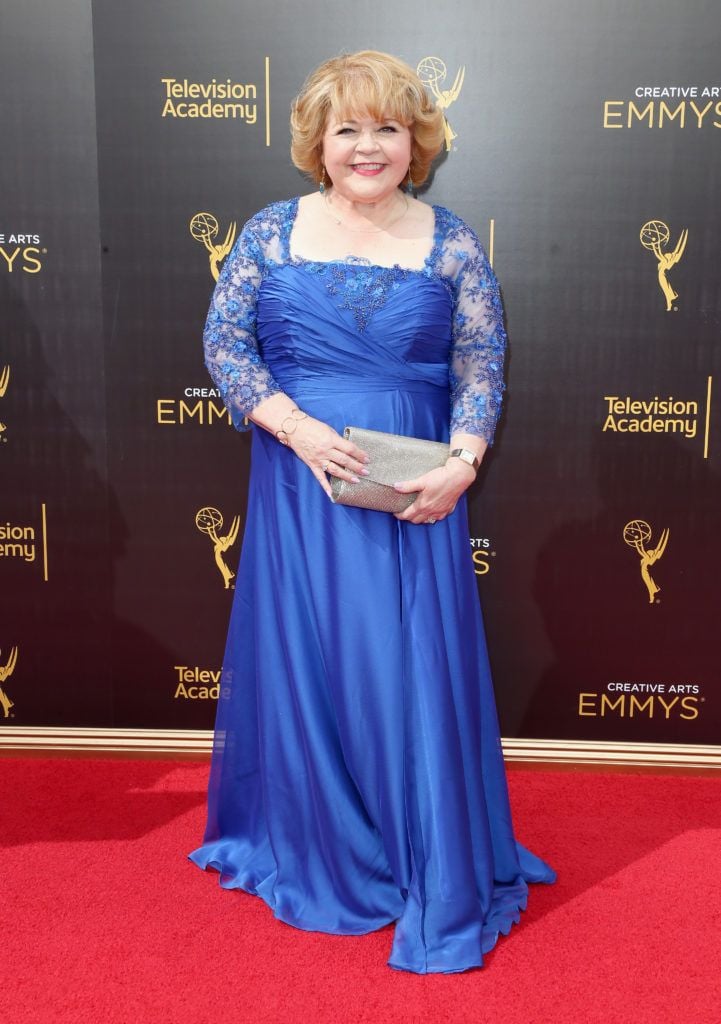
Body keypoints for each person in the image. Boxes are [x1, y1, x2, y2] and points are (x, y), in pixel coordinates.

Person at [188, 49, 556, 975]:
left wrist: (464, 462)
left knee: (407, 663)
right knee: (316, 654)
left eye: (387, 127)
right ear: (316, 141)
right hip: (301, 481)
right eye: (347, 127)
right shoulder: (271, 233)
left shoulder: (451, 241)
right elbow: (225, 344)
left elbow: (479, 362)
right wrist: (299, 432)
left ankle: (418, 843)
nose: (367, 145)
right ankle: (324, 841)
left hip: (415, 491)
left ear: (415, 140)